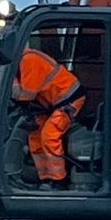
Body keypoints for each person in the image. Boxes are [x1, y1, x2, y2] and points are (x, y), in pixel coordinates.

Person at [13, 48, 85, 185]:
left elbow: (27, 95)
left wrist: (12, 84)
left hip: (68, 100)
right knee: (35, 136)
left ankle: (58, 179)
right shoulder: (22, 62)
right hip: (48, 103)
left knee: (49, 135)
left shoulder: (28, 60)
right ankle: (45, 176)